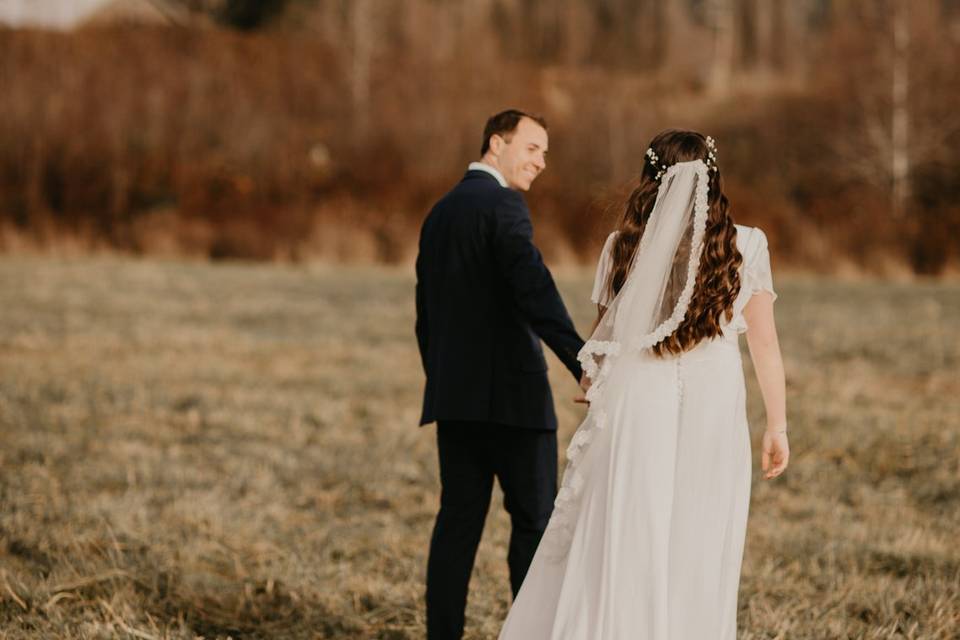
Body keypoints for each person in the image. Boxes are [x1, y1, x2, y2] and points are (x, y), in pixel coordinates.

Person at [498, 129, 790, 639]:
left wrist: (593, 382)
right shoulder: (746, 243)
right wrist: (778, 426)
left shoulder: (623, 244)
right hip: (714, 400)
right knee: (698, 533)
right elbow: (764, 345)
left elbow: (604, 336)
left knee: (629, 526)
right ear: (713, 178)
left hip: (640, 398)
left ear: (651, 179)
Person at [415, 109, 587, 640]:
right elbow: (531, 285)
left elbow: (427, 314)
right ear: (497, 143)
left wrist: (443, 380)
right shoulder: (504, 205)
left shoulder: (440, 213)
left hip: (457, 402)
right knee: (533, 524)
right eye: (533, 148)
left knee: (457, 526)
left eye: (545, 153)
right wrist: (582, 361)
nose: (540, 162)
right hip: (515, 402)